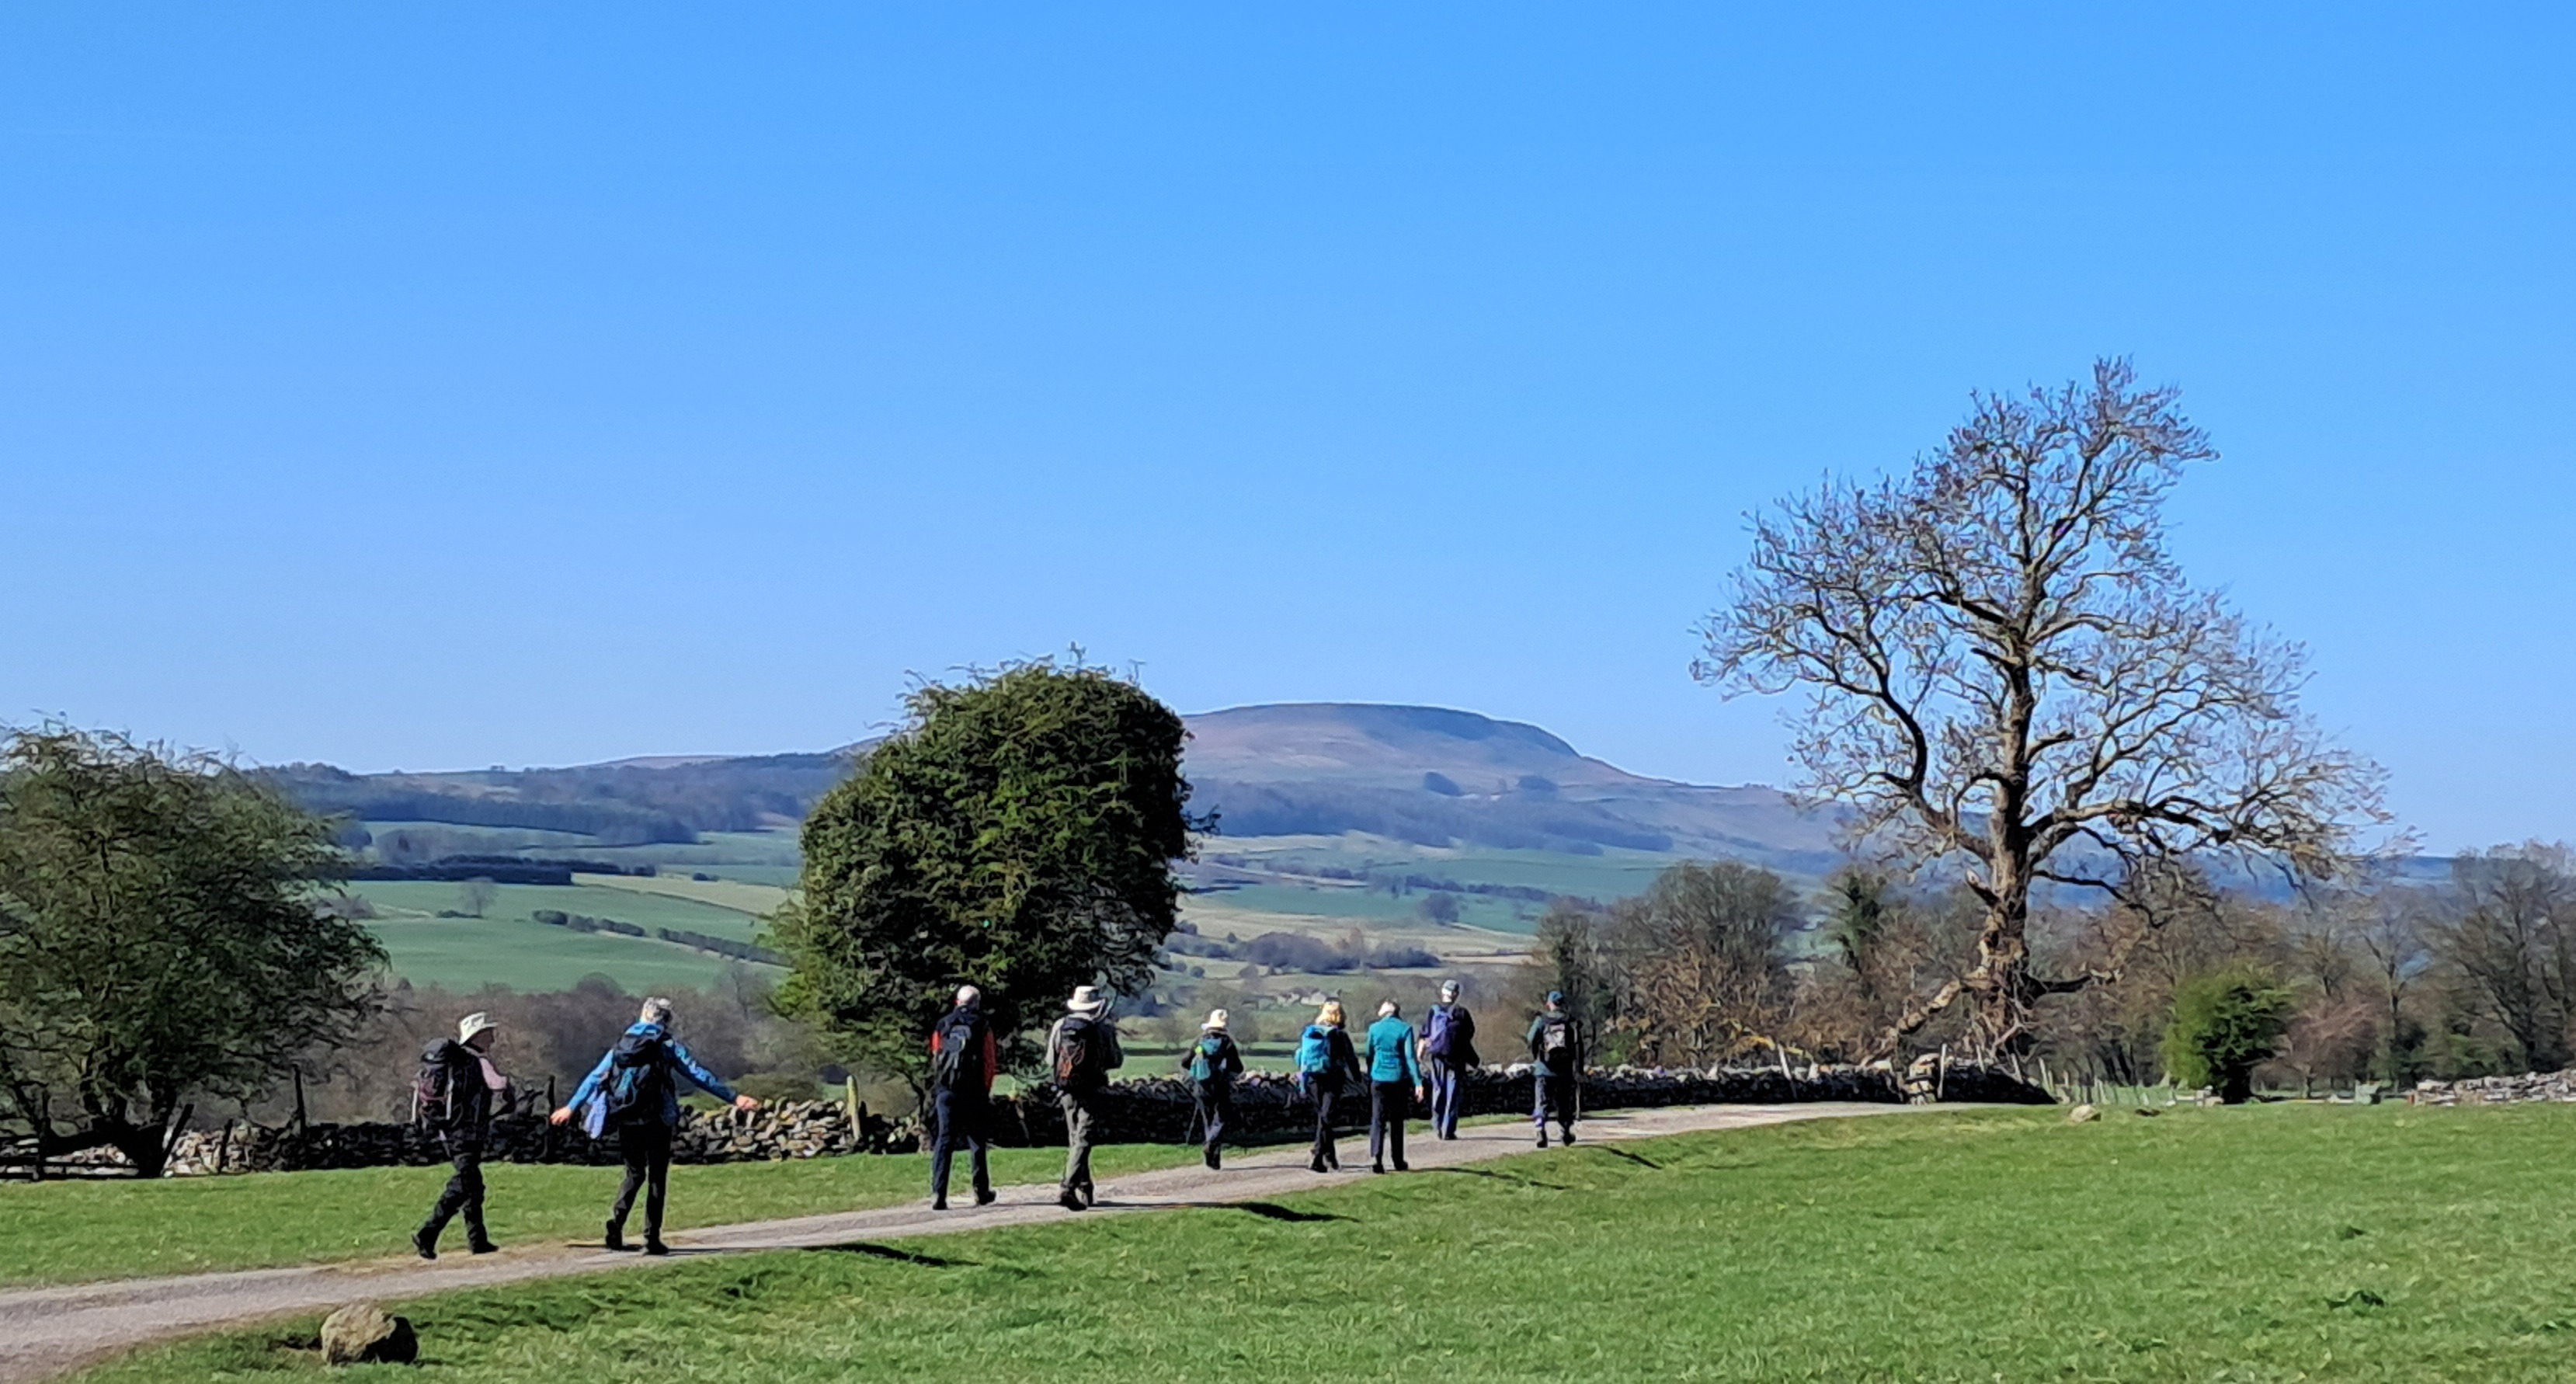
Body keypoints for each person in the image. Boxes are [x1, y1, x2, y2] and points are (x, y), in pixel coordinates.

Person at [551, 996, 760, 1255]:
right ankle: (652, 1239)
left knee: (634, 1173)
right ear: (666, 1020)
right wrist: (734, 1098)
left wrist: (570, 1107)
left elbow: (595, 1077)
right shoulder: (666, 1044)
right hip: (658, 1119)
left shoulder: (622, 1044)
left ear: (643, 1015)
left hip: (627, 1116)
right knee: (657, 1178)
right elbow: (697, 1074)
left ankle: (616, 1227)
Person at [412, 1012, 509, 1260]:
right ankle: (428, 1233)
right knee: (463, 1184)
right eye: (489, 1033)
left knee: (473, 1185)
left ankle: (478, 1241)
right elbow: (499, 1084)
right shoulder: (476, 1061)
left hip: (448, 1130)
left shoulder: (455, 1062)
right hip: (466, 1133)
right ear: (478, 1035)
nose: (493, 1039)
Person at [1043, 985, 1123, 1211]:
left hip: (1066, 1088)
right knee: (1084, 1139)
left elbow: (1051, 1060)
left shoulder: (1061, 1025)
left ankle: (1085, 1186)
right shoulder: (1102, 1027)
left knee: (1075, 1138)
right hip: (1092, 1088)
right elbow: (1115, 1060)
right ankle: (1068, 1188)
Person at [927, 985, 999, 1211]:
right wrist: (985, 1090)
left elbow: (936, 1054)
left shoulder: (943, 1024)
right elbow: (989, 1061)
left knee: (944, 1141)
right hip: (974, 1090)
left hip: (946, 1091)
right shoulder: (982, 1025)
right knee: (977, 1141)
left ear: (957, 1002)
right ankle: (981, 1191)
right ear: (977, 1003)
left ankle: (939, 1193)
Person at [1293, 1000, 1364, 1174]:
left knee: (1323, 1118)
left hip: (1312, 1079)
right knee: (1326, 1117)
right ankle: (1317, 1154)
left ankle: (1329, 1157)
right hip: (1332, 1079)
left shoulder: (1311, 1032)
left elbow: (1300, 1055)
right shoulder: (1339, 1034)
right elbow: (1350, 1058)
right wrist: (1357, 1078)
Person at [1364, 999, 1425, 1174]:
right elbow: (1410, 1058)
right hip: (1398, 1079)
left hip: (1378, 1078)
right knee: (1396, 1121)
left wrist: (1371, 1071)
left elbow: (1369, 1053)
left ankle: (1376, 1157)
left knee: (1378, 1119)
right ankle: (1398, 1160)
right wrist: (1418, 1082)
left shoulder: (1374, 1029)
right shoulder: (1405, 1029)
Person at [1180, 1008, 1244, 1170]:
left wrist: (1197, 1070)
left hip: (1202, 1084)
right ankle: (1212, 1148)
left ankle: (1212, 1158)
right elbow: (1238, 1066)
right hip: (1221, 1084)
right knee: (1221, 1118)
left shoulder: (1200, 1040)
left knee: (1208, 1119)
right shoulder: (1227, 1042)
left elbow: (1185, 1062)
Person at [1418, 979, 1480, 1140]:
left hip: (1437, 1056)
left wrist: (1421, 1053)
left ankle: (1437, 1125)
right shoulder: (1462, 1012)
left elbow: (1424, 1034)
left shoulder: (1433, 1010)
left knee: (1438, 1090)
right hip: (1457, 1058)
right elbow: (1469, 1034)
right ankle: (1448, 1130)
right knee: (1453, 1094)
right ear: (1456, 994)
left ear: (1442, 992)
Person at [1527, 989, 1581, 1148]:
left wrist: (1537, 1054)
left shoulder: (1542, 1020)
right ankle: (1565, 1133)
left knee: (1542, 1102)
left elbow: (1531, 1039)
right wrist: (1578, 1069)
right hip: (1564, 1070)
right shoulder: (1569, 1021)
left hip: (1544, 1068)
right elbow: (1576, 1046)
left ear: (1549, 1004)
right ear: (1563, 1004)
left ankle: (1540, 1130)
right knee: (1564, 1103)